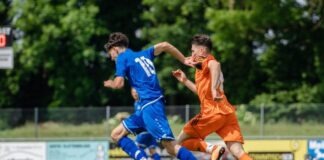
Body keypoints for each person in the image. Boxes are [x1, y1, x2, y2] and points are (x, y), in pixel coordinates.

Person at [103, 32, 197, 160]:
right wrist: (184, 59)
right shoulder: (144, 54)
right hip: (143, 108)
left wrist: (110, 83)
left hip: (151, 105)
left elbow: (119, 83)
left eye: (110, 54)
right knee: (116, 134)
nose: (111, 58)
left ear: (115, 48)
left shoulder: (121, 58)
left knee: (170, 147)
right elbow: (164, 45)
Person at [172, 34, 253, 160]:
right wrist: (185, 81)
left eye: (193, 51)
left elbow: (215, 65)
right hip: (227, 113)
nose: (192, 55)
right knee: (238, 152)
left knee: (179, 142)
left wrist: (214, 89)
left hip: (212, 112)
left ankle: (213, 149)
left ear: (202, 50)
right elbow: (201, 93)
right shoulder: (202, 68)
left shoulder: (208, 60)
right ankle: (215, 151)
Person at [131, 88, 161, 160]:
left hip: (143, 132)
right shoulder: (137, 103)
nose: (135, 94)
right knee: (152, 150)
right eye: (133, 92)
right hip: (151, 132)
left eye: (136, 92)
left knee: (137, 148)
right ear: (131, 93)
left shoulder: (140, 103)